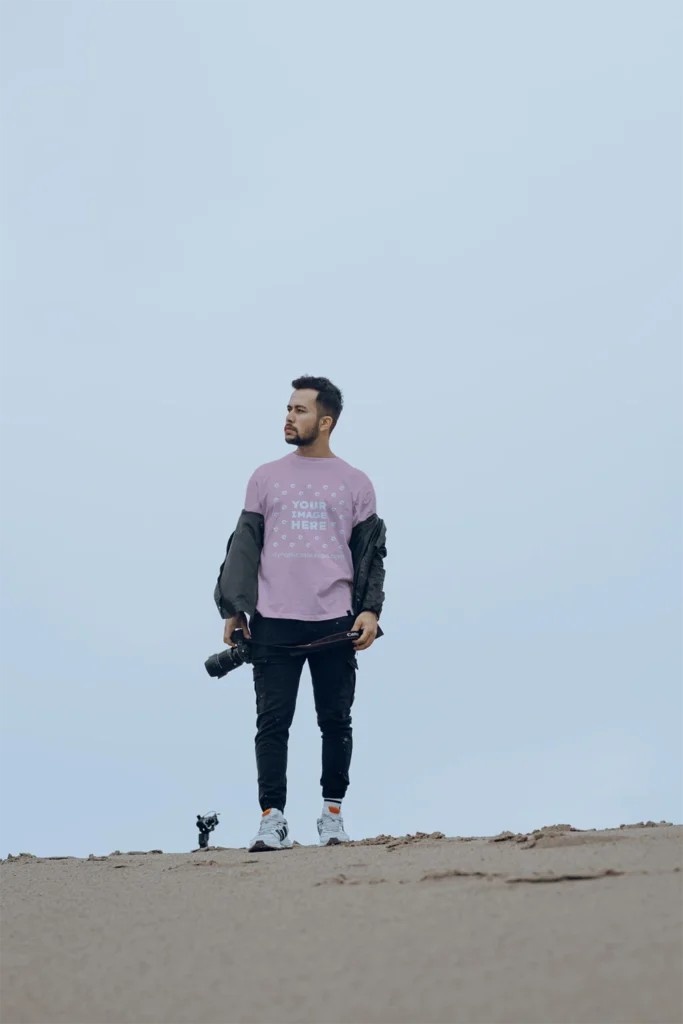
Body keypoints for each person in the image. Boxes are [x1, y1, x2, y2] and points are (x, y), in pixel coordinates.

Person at [214, 376, 387, 852]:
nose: (289, 416)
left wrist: (370, 609)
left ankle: (332, 817)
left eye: (300, 410)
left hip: (335, 621)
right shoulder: (265, 476)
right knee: (272, 724)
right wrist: (235, 610)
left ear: (325, 421)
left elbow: (371, 553)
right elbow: (244, 546)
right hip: (273, 620)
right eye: (288, 408)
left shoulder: (356, 482)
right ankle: (273, 819)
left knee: (336, 721)